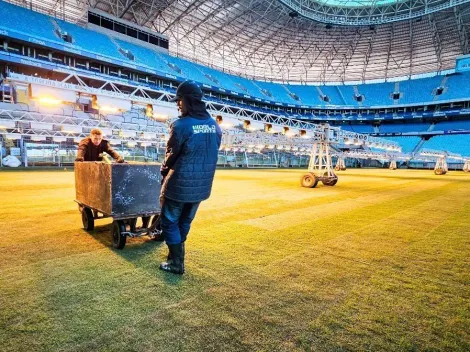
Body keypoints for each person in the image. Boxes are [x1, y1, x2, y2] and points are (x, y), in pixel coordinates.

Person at [159, 80, 222, 275]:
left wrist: (164, 169)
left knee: (169, 221)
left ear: (186, 101)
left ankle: (177, 263)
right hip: (202, 186)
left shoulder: (180, 125)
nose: (178, 105)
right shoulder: (215, 125)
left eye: (179, 101)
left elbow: (172, 154)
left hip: (180, 184)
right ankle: (174, 258)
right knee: (185, 222)